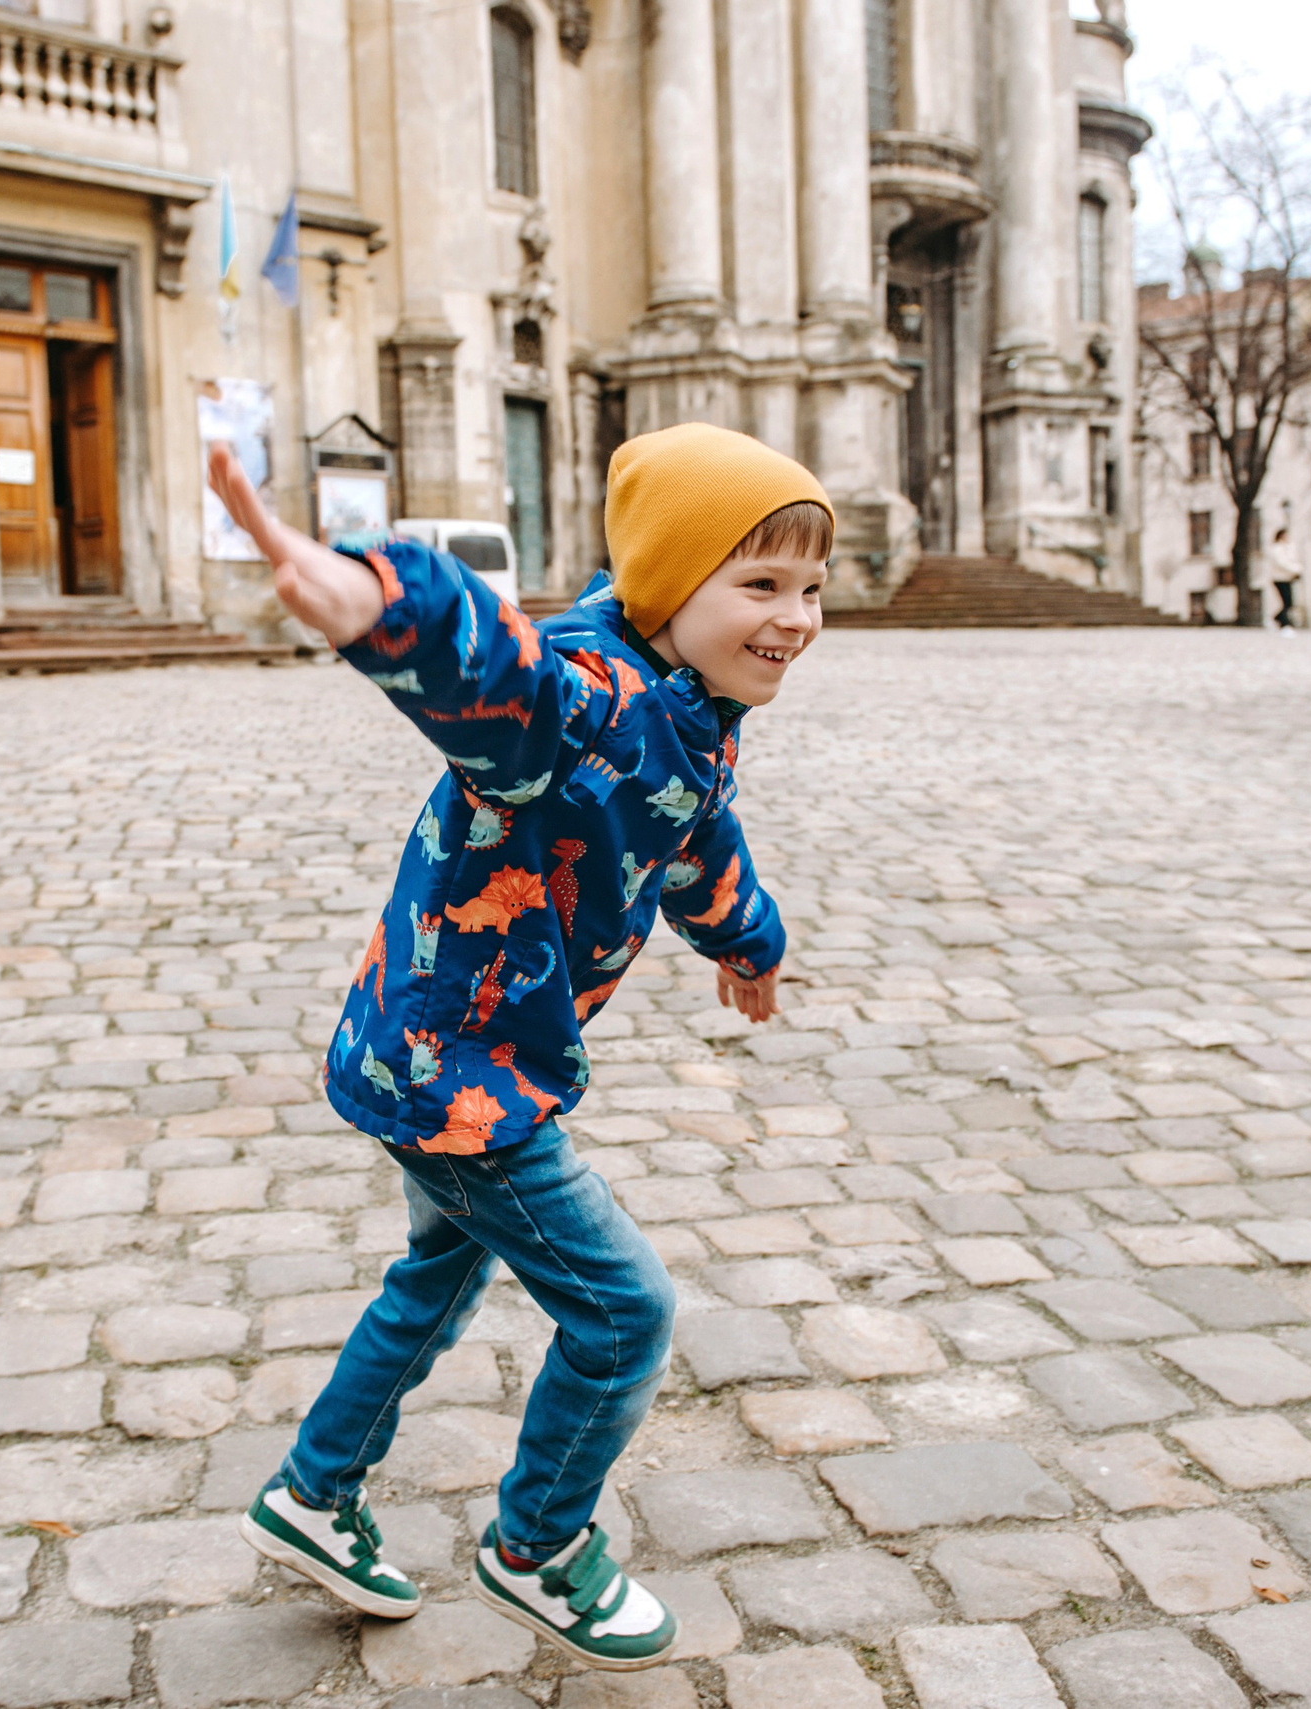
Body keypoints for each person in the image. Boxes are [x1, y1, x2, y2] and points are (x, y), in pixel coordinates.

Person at [209, 422, 823, 1672]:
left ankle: (312, 1495)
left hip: (453, 1058)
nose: (797, 616)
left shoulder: (693, 710)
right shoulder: (581, 701)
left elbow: (693, 841)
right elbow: (482, 668)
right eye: (758, 583)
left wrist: (744, 942)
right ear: (668, 584)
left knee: (437, 1274)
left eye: (812, 587)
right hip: (460, 1079)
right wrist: (372, 601)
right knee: (621, 1310)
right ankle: (536, 1544)